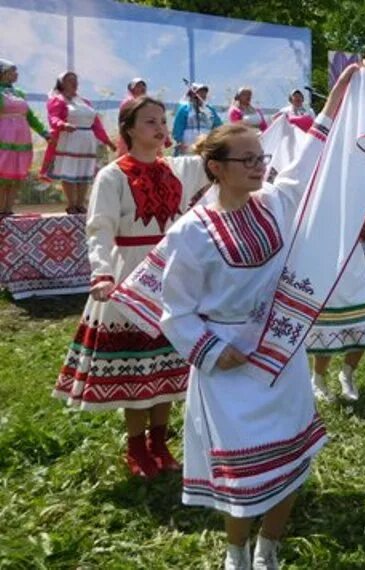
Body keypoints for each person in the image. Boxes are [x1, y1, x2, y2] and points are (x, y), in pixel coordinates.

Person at [155, 60, 365, 570]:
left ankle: (269, 548)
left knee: (291, 458)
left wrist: (337, 97)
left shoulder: (274, 203)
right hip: (226, 365)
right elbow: (175, 310)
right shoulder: (192, 232)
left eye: (261, 157)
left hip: (280, 353)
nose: (259, 166)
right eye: (246, 159)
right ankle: (236, 551)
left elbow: (310, 157)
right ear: (216, 167)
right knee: (242, 469)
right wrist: (211, 351)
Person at [52, 96, 209, 480]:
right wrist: (102, 273)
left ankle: (160, 443)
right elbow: (100, 228)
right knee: (139, 368)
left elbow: (223, 159)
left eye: (162, 120)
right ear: (129, 129)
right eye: (150, 121)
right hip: (130, 277)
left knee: (168, 365)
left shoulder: (179, 168)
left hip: (171, 276)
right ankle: (137, 447)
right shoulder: (113, 175)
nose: (159, 127)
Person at [306, 246, 365, 402]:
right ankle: (317, 379)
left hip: (354, 261)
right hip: (323, 260)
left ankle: (347, 374)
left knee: (362, 322)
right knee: (326, 324)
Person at [41, 71, 116, 214]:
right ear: (62, 83)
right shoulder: (57, 100)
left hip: (87, 141)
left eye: (75, 80)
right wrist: (63, 125)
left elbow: (96, 124)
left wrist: (107, 141)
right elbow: (53, 118)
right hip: (69, 138)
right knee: (69, 170)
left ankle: (81, 204)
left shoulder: (85, 102)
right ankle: (71, 204)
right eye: (70, 80)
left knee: (84, 171)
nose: (74, 83)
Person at [0, 59, 49, 215]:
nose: (16, 74)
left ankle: (8, 210)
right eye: (13, 71)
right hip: (4, 135)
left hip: (21, 137)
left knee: (16, 173)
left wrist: (44, 132)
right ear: (3, 73)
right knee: (2, 173)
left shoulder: (19, 93)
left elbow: (30, 116)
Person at [172, 83, 222, 156]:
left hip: (205, 145)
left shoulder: (210, 110)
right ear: (192, 94)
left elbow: (218, 126)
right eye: (200, 92)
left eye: (204, 92)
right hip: (187, 147)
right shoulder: (184, 109)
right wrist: (180, 142)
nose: (203, 94)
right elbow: (178, 127)